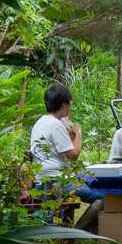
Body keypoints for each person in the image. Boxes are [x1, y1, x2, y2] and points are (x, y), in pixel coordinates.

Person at [29, 82, 103, 230]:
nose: (70, 106)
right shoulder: (56, 125)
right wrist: (78, 134)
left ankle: (79, 231)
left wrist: (69, 137)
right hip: (55, 181)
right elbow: (73, 155)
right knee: (105, 197)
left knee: (90, 180)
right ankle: (78, 232)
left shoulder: (41, 121)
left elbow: (57, 150)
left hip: (43, 177)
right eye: (70, 103)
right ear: (64, 105)